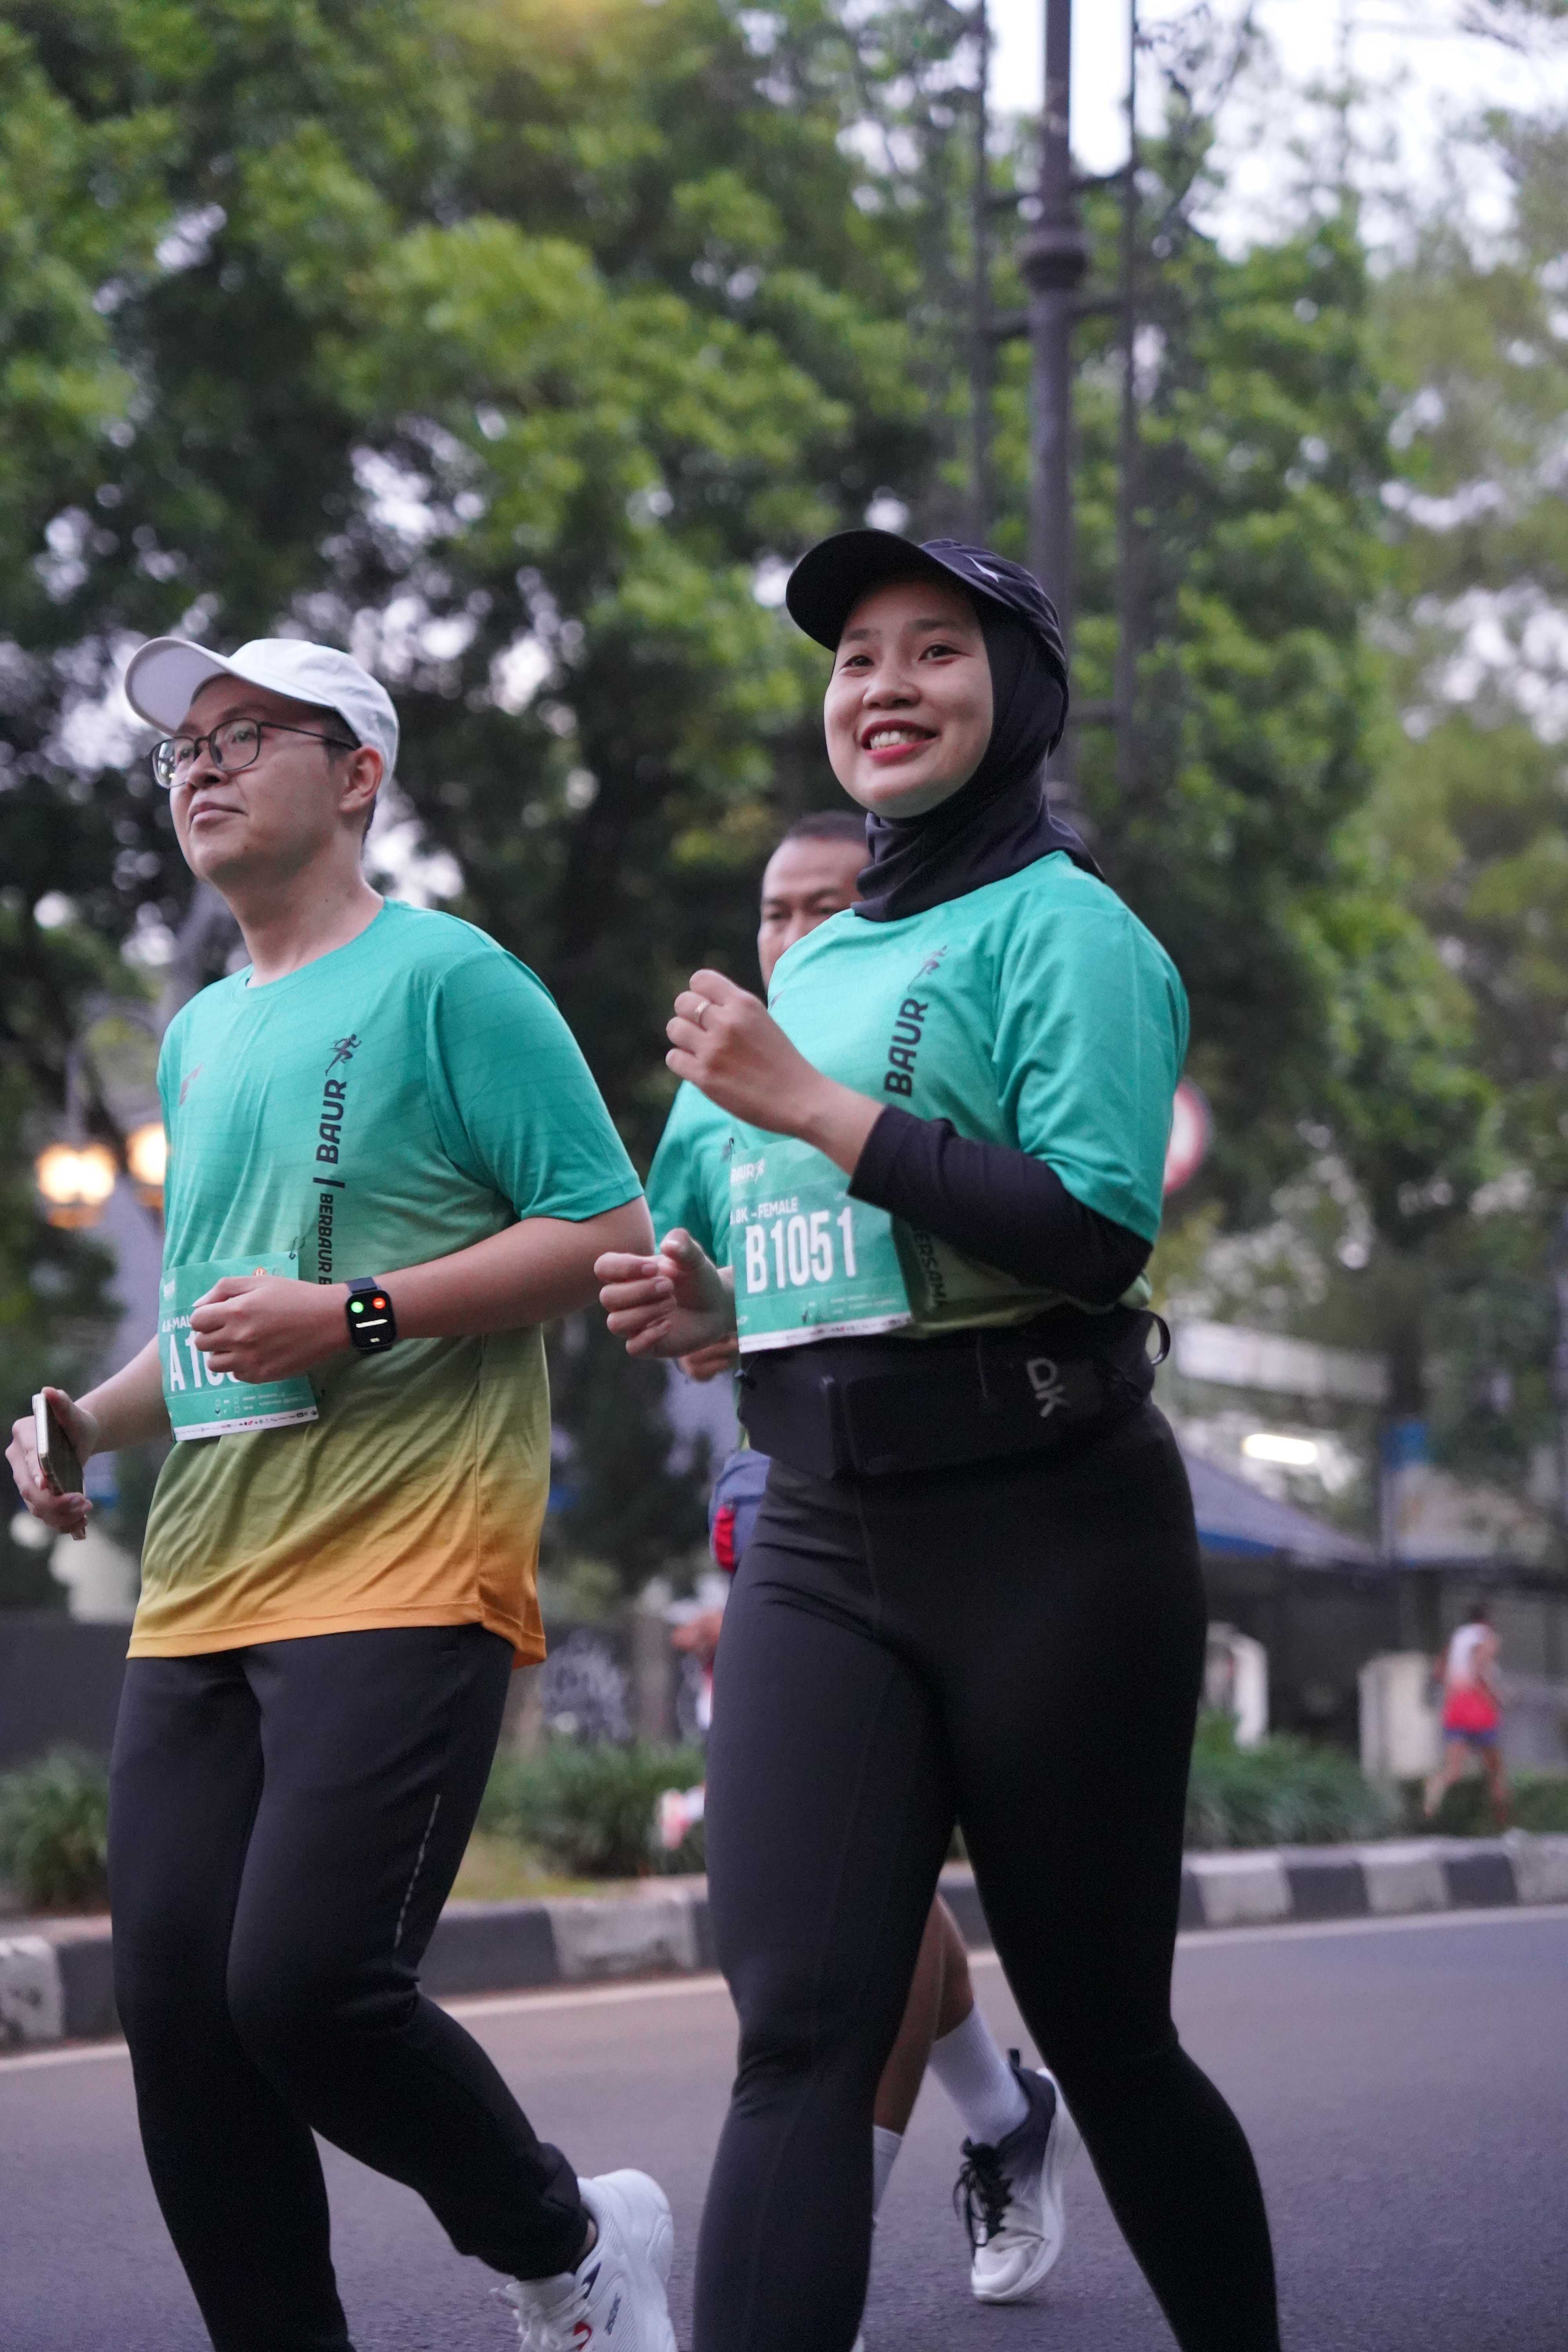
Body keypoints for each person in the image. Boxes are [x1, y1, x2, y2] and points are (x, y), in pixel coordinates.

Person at [597, 530, 1281, 2352]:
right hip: (819, 1536)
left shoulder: (1070, 933)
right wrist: (707, 1298)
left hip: (1051, 1529)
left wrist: (812, 1105)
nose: (884, 685)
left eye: (935, 650)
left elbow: (1087, 1229)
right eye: (855, 657)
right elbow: (778, 1250)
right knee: (798, 2033)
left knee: (1107, 2036)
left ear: (1020, 694)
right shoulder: (805, 974)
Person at [7, 635, 677, 2352]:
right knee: (179, 2017)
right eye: (185, 748)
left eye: (247, 737)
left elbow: (603, 1229)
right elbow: (216, 1325)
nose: (201, 767)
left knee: (304, 1987)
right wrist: (83, 1426)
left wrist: (360, 1311)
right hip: (204, 1580)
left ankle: (569, 2244)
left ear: (357, 773)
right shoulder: (202, 1034)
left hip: (408, 1556)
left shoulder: (452, 981)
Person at [650, 807, 1080, 2314]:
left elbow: (1062, 1231)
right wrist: (688, 1301)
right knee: (845, 1885)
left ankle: (831, 2198)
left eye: (830, 904)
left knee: (863, 1898)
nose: (795, 934)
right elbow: (688, 1292)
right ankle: (994, 2121)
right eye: (775, 910)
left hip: (988, 1500)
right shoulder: (715, 1090)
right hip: (791, 1490)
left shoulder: (935, 1038)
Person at [1425, 1600, 1509, 1828]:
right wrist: (1497, 1695)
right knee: (1496, 1771)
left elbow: (1438, 1671)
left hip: (1456, 1704)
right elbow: (1480, 1667)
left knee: (1453, 1771)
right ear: (1487, 1619)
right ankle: (1503, 1825)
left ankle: (1435, 1787)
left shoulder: (1457, 1638)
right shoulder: (1487, 1637)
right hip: (1478, 1705)